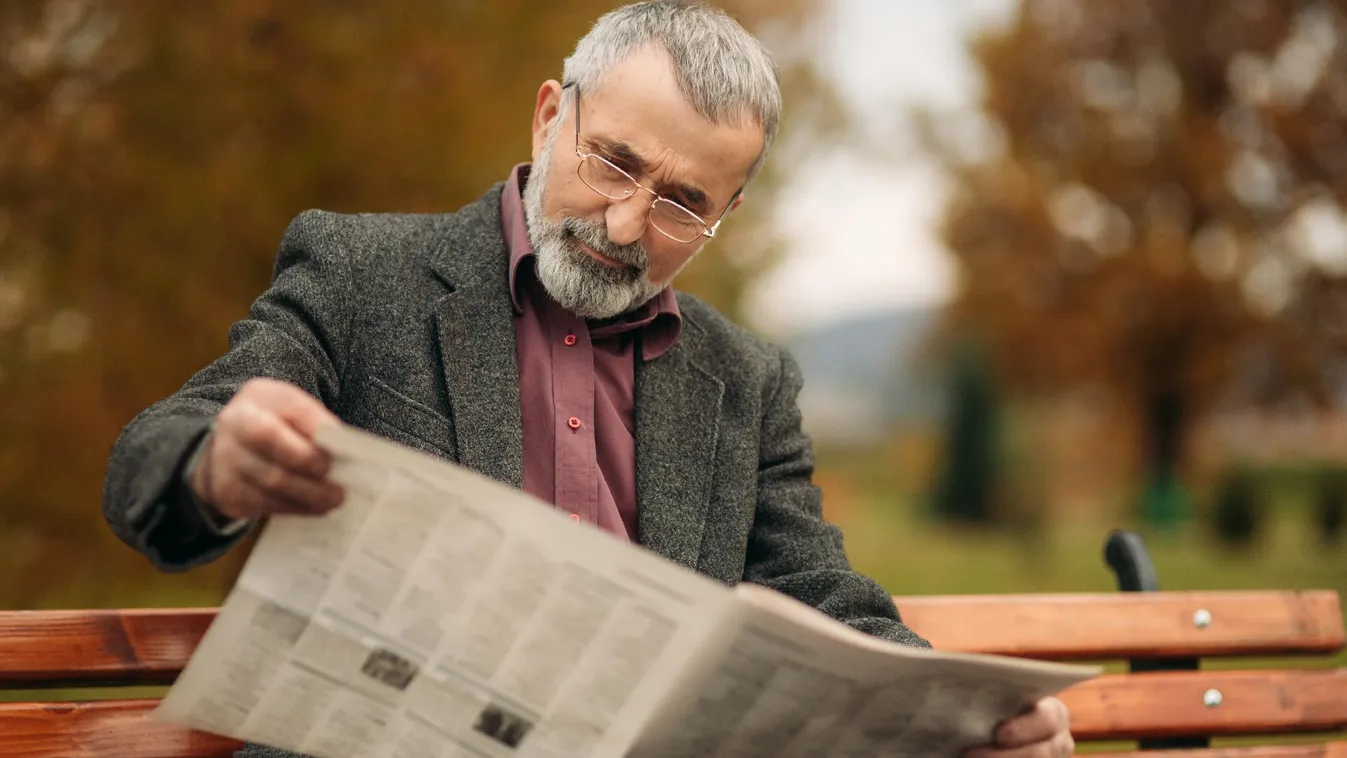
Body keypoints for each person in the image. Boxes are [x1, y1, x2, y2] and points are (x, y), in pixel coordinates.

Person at [102, 2, 1073, 756]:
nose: (623, 226)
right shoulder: (364, 277)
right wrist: (217, 463)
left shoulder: (747, 379)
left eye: (682, 204)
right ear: (549, 115)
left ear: (725, 211)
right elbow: (153, 462)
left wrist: (972, 715)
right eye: (613, 161)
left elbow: (823, 594)